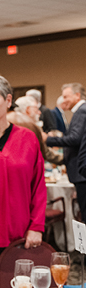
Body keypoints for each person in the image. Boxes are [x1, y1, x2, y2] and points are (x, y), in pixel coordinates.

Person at [0, 75, 46, 255]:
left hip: (21, 235)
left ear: (8, 100)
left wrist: (36, 226)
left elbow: (38, 186)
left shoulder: (28, 138)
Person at [45, 83, 86, 222]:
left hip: (81, 174)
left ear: (77, 95)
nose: (63, 100)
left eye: (65, 96)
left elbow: (75, 139)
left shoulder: (82, 110)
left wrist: (48, 140)